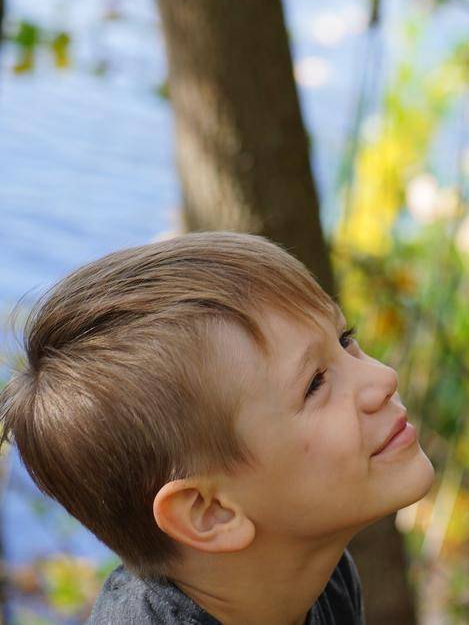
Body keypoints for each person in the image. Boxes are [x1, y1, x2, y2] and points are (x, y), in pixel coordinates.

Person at [0, 232, 435, 624]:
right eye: (315, 384)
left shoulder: (322, 577)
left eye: (345, 340)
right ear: (210, 511)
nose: (382, 379)